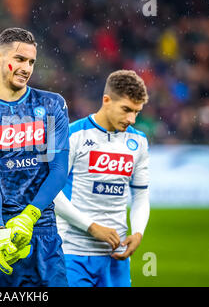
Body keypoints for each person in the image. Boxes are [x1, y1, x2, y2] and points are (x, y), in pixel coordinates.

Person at [0, 27, 69, 287]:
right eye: (19, 59)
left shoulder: (53, 104)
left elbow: (59, 170)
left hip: (41, 230)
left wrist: (29, 216)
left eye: (31, 62)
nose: (26, 68)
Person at [54, 70, 150, 287]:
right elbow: (51, 194)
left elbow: (141, 195)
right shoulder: (73, 135)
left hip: (116, 256)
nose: (131, 119)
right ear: (106, 100)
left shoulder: (139, 142)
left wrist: (137, 232)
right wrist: (91, 226)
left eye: (136, 112)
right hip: (72, 252)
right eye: (126, 110)